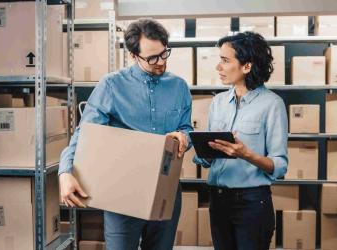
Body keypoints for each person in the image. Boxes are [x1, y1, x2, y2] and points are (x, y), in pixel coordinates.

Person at [58, 19, 193, 250]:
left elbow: (186, 128)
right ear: (133, 55)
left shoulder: (179, 87)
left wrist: (184, 137)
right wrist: (65, 172)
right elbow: (85, 133)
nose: (161, 62)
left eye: (164, 54)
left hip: (166, 188)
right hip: (123, 190)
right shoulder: (111, 85)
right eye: (152, 58)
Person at [194, 31, 288, 250]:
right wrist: (203, 151)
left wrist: (246, 154)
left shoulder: (272, 105)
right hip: (218, 200)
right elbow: (208, 161)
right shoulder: (218, 102)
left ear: (247, 66)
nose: (218, 67)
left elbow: (280, 166)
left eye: (225, 60)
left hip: (252, 203)